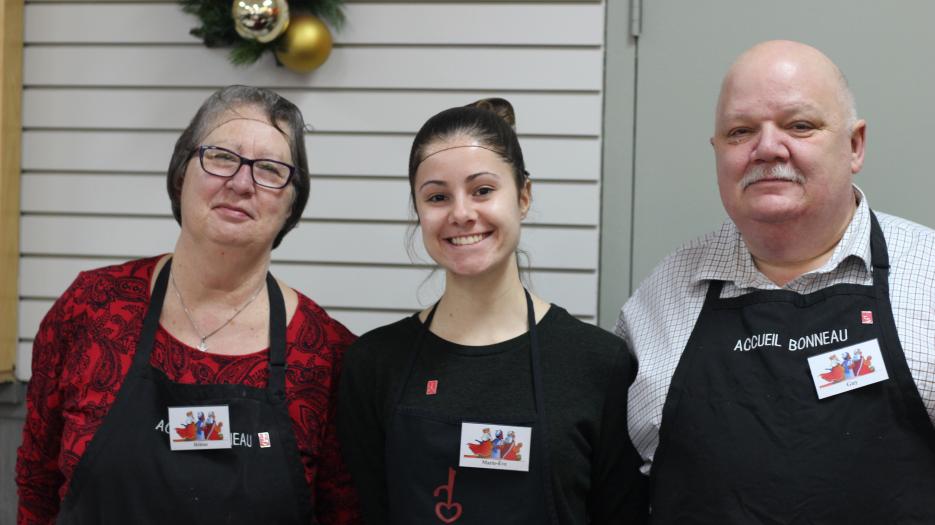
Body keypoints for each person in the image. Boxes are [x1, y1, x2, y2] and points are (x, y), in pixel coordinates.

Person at [617, 40, 935, 523]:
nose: (767, 148)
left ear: (855, 145)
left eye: (799, 125)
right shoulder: (659, 300)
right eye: (740, 131)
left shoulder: (928, 276)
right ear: (717, 151)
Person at [16, 86, 361, 524]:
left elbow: (346, 515)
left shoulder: (328, 354)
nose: (240, 183)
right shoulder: (90, 307)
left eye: (270, 170)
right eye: (221, 157)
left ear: (293, 204)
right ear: (182, 173)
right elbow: (36, 485)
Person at [337, 98, 647, 524]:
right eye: (437, 196)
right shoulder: (373, 363)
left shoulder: (597, 363)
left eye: (482, 190)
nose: (462, 214)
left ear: (523, 197)